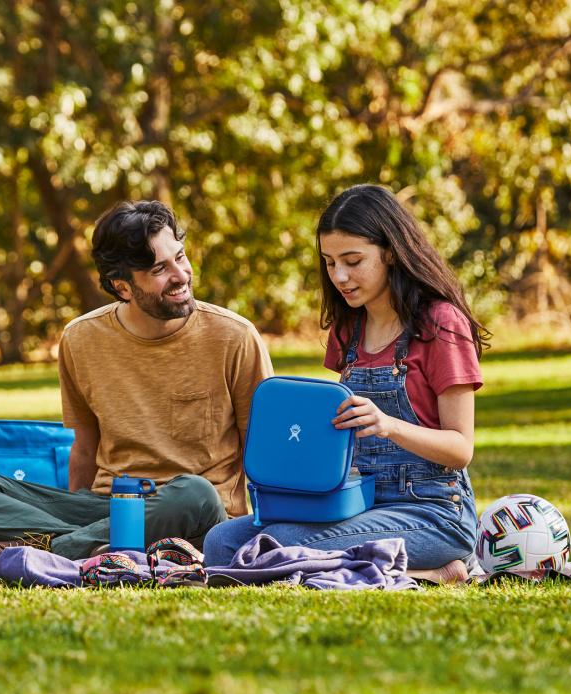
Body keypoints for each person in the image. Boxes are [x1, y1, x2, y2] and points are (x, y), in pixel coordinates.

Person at [0, 200, 274, 561]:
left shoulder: (235, 337)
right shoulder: (80, 338)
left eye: (180, 256)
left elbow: (269, 453)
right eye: (160, 268)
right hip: (105, 508)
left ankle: (59, 550)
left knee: (195, 491)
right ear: (123, 287)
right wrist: (83, 512)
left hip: (196, 516)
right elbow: (84, 447)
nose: (181, 274)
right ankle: (88, 545)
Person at [202, 184, 487, 583]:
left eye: (353, 261)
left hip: (433, 513)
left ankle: (436, 570)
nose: (339, 276)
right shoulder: (349, 328)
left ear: (391, 251)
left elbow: (461, 449)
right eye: (329, 261)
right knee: (220, 543)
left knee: (280, 543)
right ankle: (417, 572)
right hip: (355, 504)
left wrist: (387, 424)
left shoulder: (440, 324)